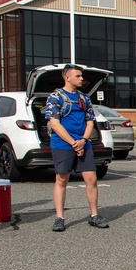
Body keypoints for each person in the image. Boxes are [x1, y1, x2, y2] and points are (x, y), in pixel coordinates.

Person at [45, 64, 108, 232]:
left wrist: (83, 140)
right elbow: (55, 124)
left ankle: (94, 215)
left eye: (81, 76)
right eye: (78, 76)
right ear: (67, 77)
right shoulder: (55, 97)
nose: (81, 78)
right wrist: (73, 143)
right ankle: (59, 218)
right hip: (62, 144)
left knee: (91, 179)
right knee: (62, 180)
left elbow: (89, 122)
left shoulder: (84, 98)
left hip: (83, 143)